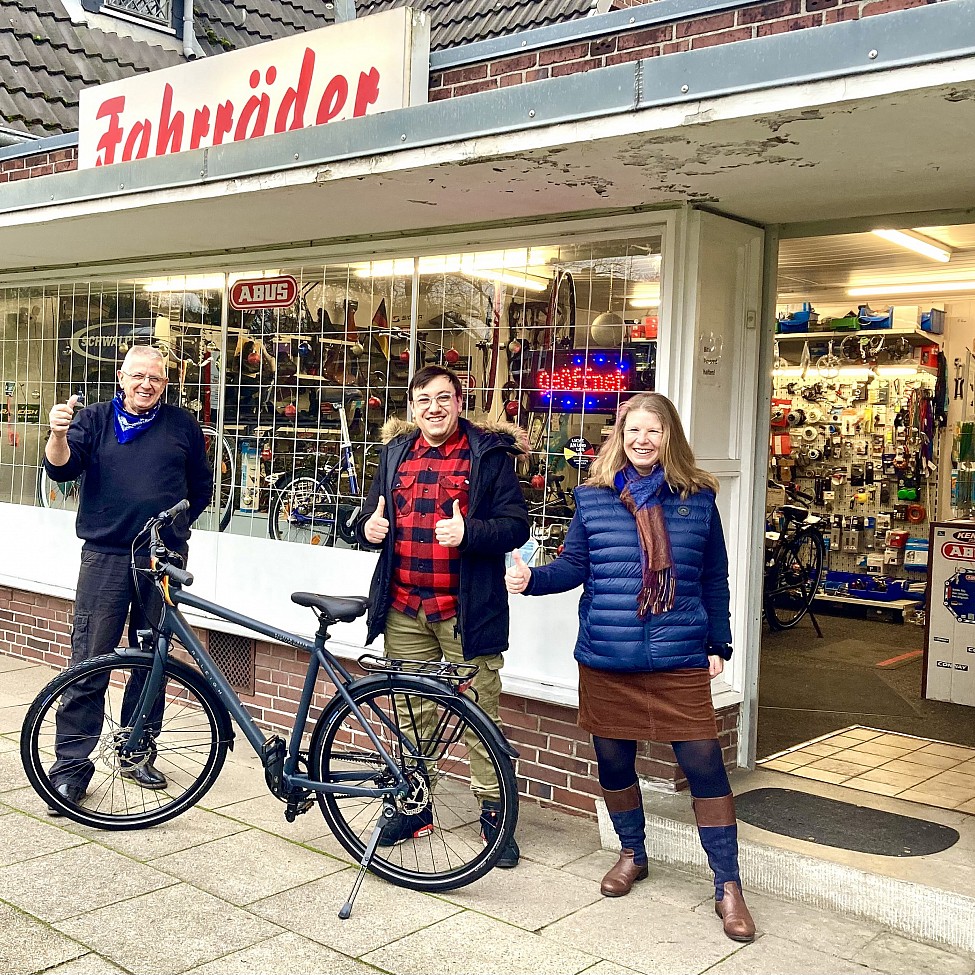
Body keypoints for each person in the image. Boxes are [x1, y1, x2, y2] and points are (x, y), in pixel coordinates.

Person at [504, 391, 756, 942]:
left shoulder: (697, 499)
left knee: (705, 769)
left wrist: (720, 643)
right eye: (633, 431)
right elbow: (573, 566)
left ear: (671, 438)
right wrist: (531, 580)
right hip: (608, 655)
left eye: (654, 432)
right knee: (614, 765)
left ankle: (728, 884)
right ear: (619, 436)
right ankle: (632, 852)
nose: (642, 441)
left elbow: (714, 579)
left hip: (679, 655)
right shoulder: (594, 498)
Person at [356, 364, 529, 868]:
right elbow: (368, 518)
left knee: (480, 717)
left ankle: (495, 819)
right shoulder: (394, 454)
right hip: (405, 609)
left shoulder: (488, 456)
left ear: (459, 402)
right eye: (424, 399)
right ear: (412, 407)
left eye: (444, 398)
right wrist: (367, 529)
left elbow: (516, 525)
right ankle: (415, 806)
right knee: (412, 714)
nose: (434, 407)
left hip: (464, 612)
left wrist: (469, 533)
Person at [43, 345, 213, 813]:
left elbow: (201, 489)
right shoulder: (94, 420)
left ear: (165, 382)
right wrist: (56, 435)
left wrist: (172, 531)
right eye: (137, 376)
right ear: (121, 377)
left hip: (160, 564)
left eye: (155, 378)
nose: (146, 384)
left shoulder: (182, 425)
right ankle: (71, 771)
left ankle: (136, 750)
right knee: (89, 661)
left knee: (151, 659)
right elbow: (61, 469)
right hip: (106, 559)